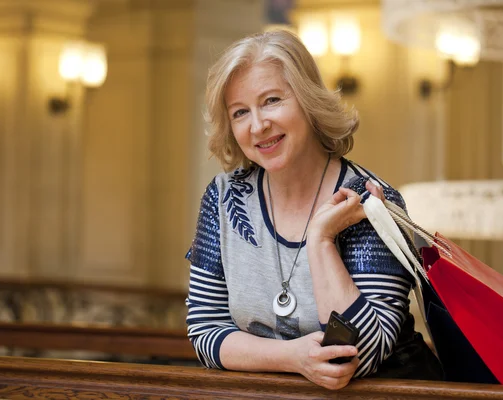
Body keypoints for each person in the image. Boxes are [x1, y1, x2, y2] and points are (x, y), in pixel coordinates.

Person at [185, 30, 443, 390]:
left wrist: (321, 241)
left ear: (307, 99)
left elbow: (362, 353)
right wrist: (292, 357)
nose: (258, 126)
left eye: (272, 100)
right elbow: (205, 329)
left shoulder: (368, 201)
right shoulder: (222, 197)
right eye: (240, 112)